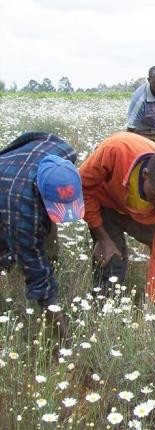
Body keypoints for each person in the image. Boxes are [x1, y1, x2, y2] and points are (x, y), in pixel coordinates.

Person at [79, 132, 155, 303]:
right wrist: (102, 237)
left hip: (145, 216)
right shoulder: (115, 150)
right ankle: (102, 308)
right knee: (113, 262)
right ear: (145, 174)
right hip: (107, 205)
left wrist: (153, 300)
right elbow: (83, 187)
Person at [0, 132, 85, 340]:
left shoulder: (65, 152)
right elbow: (37, 275)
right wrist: (64, 339)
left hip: (16, 176)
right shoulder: (22, 209)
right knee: (8, 252)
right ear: (39, 192)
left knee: (44, 244)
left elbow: (34, 137)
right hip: (8, 192)